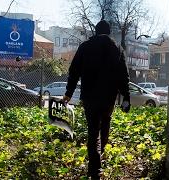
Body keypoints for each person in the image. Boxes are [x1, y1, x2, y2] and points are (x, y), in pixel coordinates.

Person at [63, 20, 130, 179]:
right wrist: (126, 97)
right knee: (105, 124)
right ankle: (100, 153)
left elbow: (74, 71)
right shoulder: (117, 48)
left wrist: (68, 93)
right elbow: (123, 76)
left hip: (90, 97)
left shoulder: (85, 47)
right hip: (108, 98)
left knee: (93, 132)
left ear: (95, 31)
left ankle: (95, 171)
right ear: (108, 32)